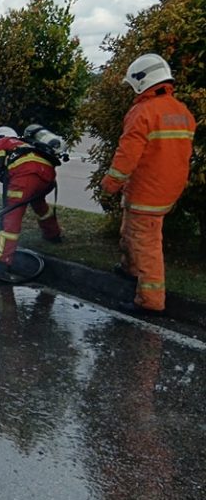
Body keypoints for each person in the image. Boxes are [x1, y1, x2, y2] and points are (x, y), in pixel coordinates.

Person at [101, 54, 195, 314]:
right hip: (167, 189)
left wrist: (111, 183)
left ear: (143, 81)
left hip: (147, 191)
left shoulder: (143, 112)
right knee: (132, 231)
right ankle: (130, 269)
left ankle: (150, 301)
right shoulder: (181, 111)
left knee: (146, 244)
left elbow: (127, 154)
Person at [0, 125, 62, 276]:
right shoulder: (24, 145)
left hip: (25, 177)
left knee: (11, 215)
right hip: (48, 176)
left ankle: (1, 261)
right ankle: (53, 235)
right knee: (40, 205)